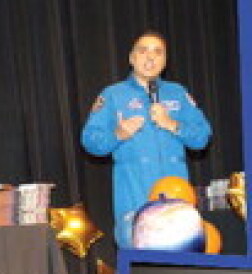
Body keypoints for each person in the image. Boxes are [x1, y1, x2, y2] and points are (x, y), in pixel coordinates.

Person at [81, 30, 211, 248]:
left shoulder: (177, 93)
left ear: (165, 61)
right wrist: (119, 134)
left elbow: (202, 138)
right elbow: (90, 141)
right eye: (143, 51)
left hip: (178, 206)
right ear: (132, 58)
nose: (150, 57)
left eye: (158, 52)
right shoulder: (113, 95)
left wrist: (172, 124)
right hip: (135, 204)